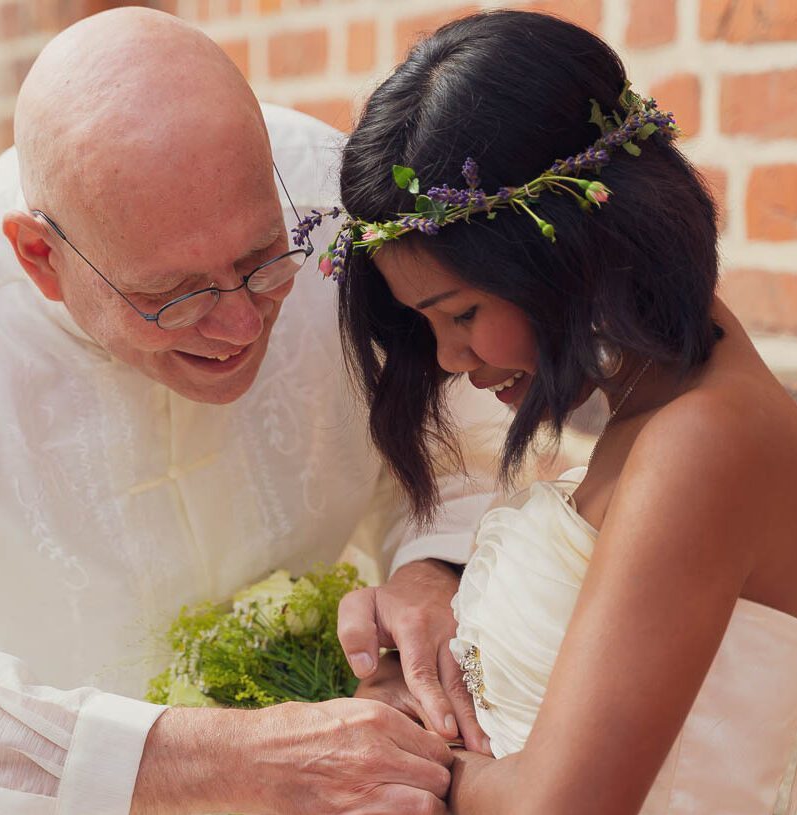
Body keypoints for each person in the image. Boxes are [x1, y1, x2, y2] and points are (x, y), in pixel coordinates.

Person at [0, 8, 507, 814]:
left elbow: (462, 432)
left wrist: (433, 567)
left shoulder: (334, 196)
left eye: (263, 262)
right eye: (172, 297)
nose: (240, 327)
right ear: (40, 257)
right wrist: (190, 763)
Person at [304, 10, 797, 815]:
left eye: (459, 313)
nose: (450, 360)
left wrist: (392, 742)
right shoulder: (655, 412)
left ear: (570, 248)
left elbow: (558, 804)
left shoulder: (701, 442)